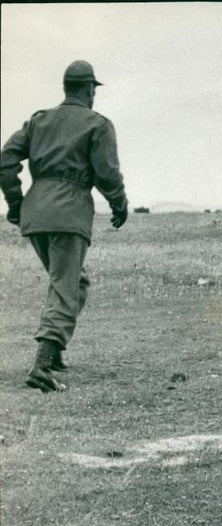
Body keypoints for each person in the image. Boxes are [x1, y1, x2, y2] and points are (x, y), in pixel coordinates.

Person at [0, 60, 129, 392]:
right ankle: (41, 366)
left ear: (65, 88)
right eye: (93, 91)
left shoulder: (39, 120)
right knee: (66, 289)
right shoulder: (97, 124)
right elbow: (106, 173)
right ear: (89, 90)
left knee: (75, 282)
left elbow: (5, 160)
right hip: (68, 213)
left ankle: (54, 353)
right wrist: (119, 202)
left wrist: (16, 204)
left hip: (35, 213)